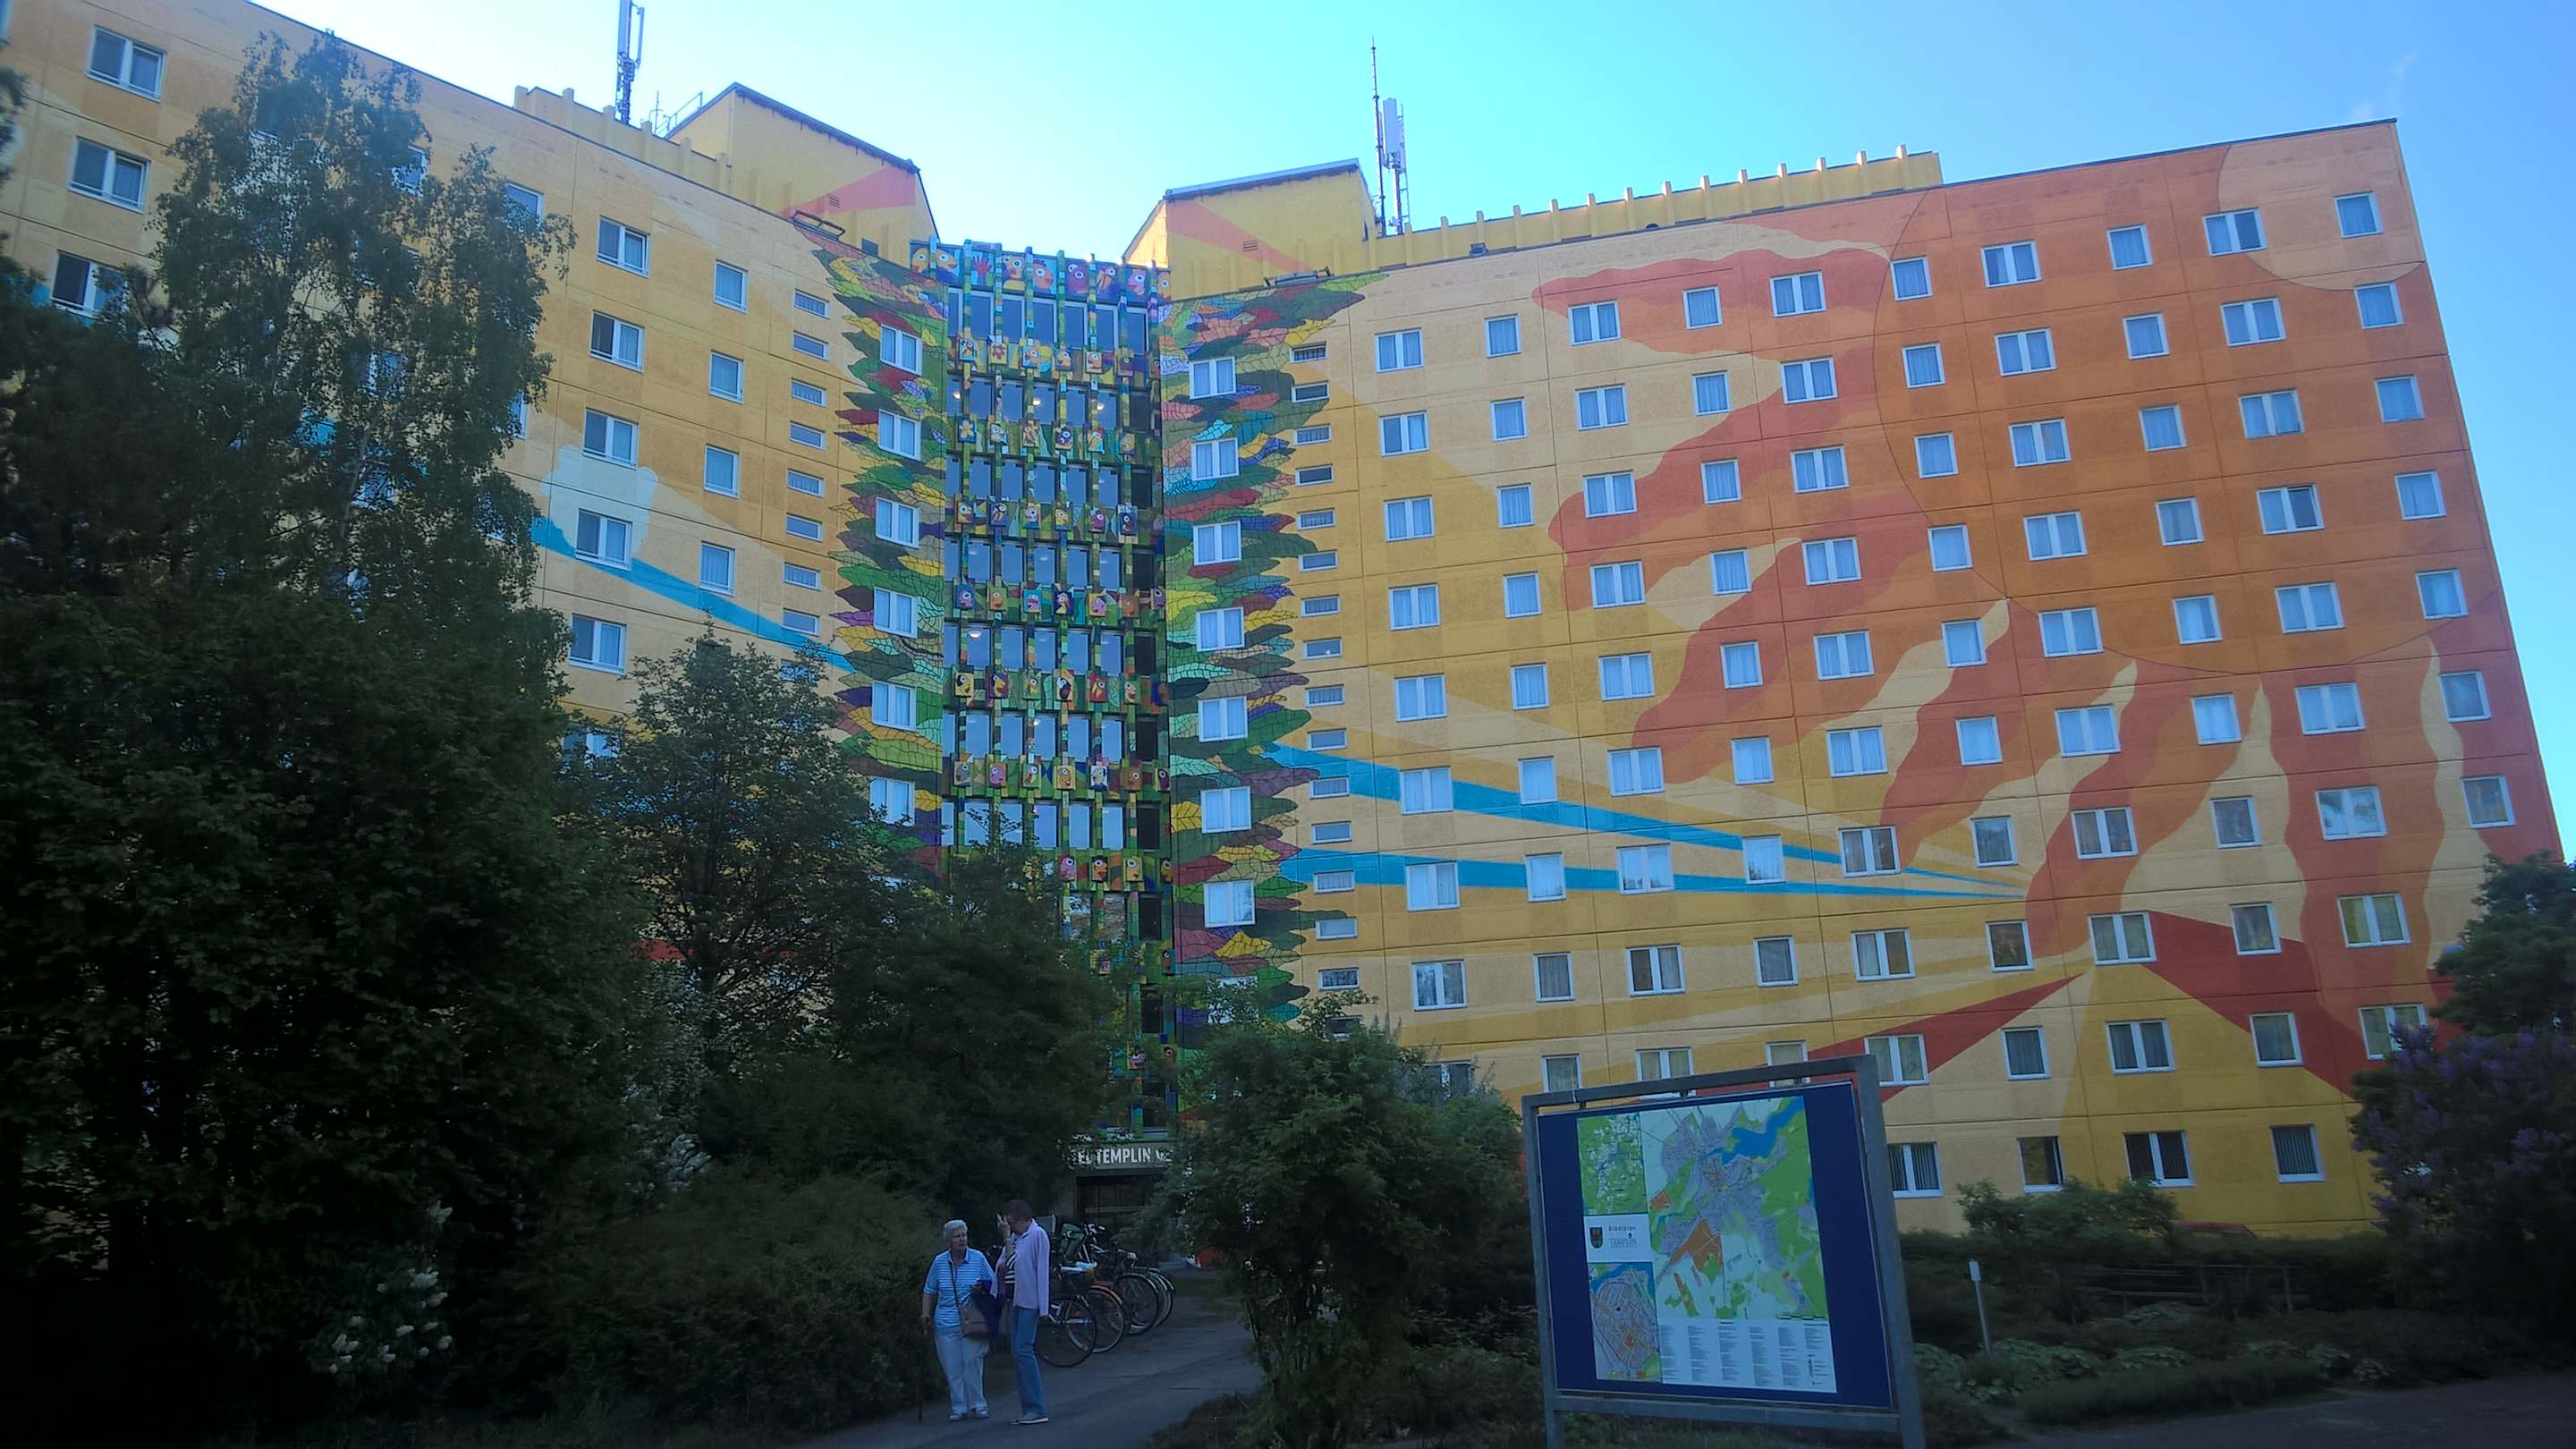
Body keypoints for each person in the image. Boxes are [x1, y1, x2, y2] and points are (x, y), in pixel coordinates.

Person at [919, 1219, 995, 1421]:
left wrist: (981, 1288)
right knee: (952, 1368)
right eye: (957, 1236)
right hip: (946, 1321)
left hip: (973, 1320)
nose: (962, 1239)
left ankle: (978, 1404)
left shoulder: (978, 1258)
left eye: (964, 1235)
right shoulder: (939, 1262)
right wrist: (925, 1313)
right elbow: (929, 1290)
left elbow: (994, 1285)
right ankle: (958, 1406)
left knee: (972, 1363)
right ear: (948, 1241)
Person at [1002, 1199, 1051, 1426]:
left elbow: (1041, 1270)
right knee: (1017, 1352)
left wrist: (1044, 1306)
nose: (1012, 1227)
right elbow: (1004, 1263)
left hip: (1030, 1300)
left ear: (1022, 1219)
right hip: (1015, 1300)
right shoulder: (1016, 1238)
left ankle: (1036, 1407)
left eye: (1012, 1223)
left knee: (1023, 1350)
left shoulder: (1037, 1235)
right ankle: (1028, 1408)